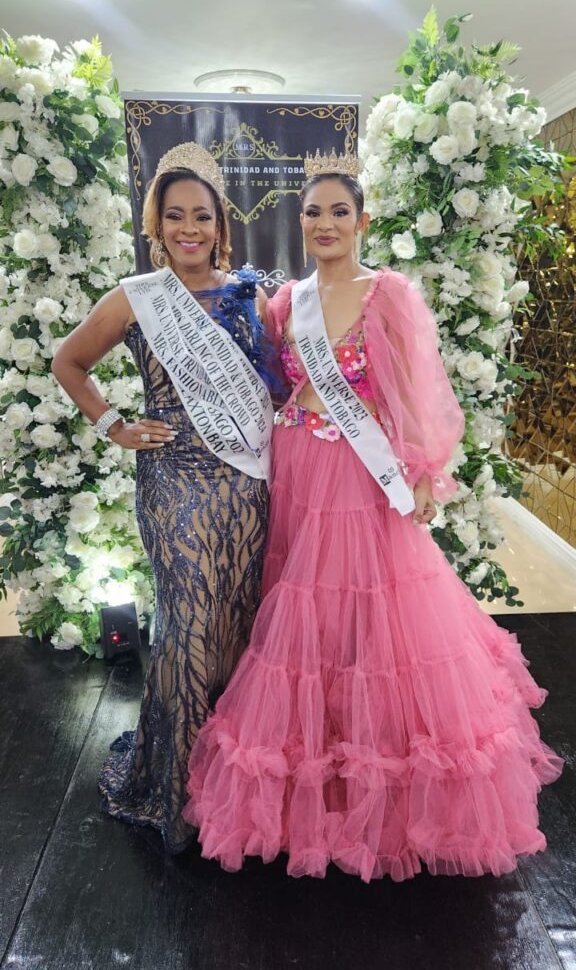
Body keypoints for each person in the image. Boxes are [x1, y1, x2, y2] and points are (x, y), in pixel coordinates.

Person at [183, 150, 562, 881]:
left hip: (363, 475)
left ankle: (379, 772)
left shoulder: (387, 293)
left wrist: (421, 468)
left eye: (338, 211)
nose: (325, 223)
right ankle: (317, 763)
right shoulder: (283, 301)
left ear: (362, 220)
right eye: (313, 213)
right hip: (298, 468)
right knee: (303, 614)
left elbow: (417, 388)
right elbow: (263, 385)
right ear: (300, 224)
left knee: (374, 617)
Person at [52, 142, 276, 852]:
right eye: (174, 215)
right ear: (157, 223)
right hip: (173, 474)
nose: (189, 228)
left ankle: (234, 783)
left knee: (238, 624)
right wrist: (114, 423)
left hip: (245, 478)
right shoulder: (135, 297)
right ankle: (174, 787)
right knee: (186, 623)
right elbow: (69, 361)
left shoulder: (250, 292)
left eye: (201, 216)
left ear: (220, 224)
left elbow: (282, 381)